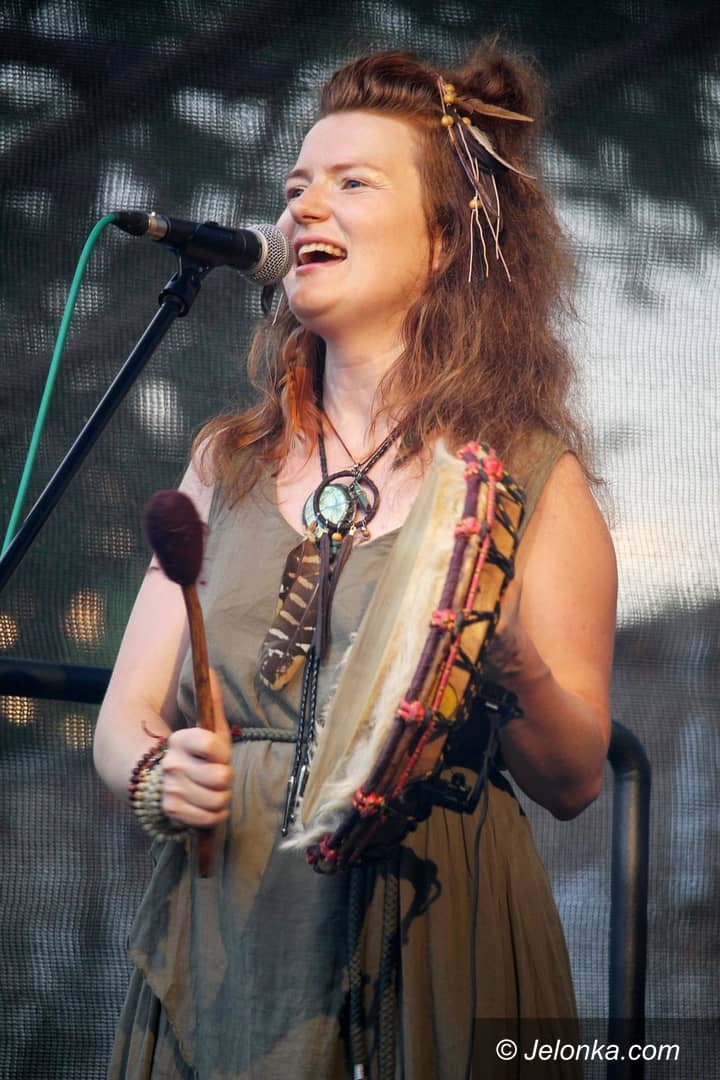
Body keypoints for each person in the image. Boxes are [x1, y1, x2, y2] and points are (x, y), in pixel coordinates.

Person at [94, 40, 617, 1080]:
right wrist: (156, 775)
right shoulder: (227, 463)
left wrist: (507, 655)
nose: (304, 209)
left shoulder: (529, 476)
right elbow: (124, 721)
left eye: (351, 182)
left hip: (438, 929)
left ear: (445, 239)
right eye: (296, 187)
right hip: (227, 929)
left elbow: (573, 779)